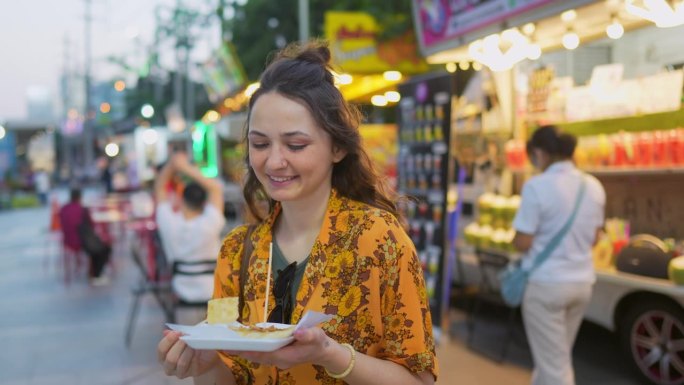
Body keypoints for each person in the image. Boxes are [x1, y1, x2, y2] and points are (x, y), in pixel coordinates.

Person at [157, 41, 438, 385]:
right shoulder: (237, 250)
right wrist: (205, 363)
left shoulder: (378, 238)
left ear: (337, 146)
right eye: (260, 144)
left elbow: (419, 379)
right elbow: (227, 375)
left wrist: (329, 354)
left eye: (296, 145)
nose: (274, 162)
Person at [511, 125, 605, 385]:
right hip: (583, 284)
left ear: (539, 153)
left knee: (555, 369)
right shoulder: (593, 186)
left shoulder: (536, 187)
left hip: (546, 287)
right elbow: (596, 237)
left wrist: (516, 238)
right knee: (555, 359)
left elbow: (523, 241)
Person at [154, 152, 225, 303]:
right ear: (204, 203)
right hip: (212, 292)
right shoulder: (211, 222)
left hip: (181, 292)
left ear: (181, 199)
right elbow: (215, 188)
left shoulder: (168, 222)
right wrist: (186, 168)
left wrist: (173, 164)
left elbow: (159, 187)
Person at [58, 188, 110, 285]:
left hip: (67, 240)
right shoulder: (82, 209)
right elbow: (92, 225)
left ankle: (94, 273)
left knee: (99, 246)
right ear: (80, 197)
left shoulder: (63, 208)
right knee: (104, 247)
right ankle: (96, 275)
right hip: (81, 241)